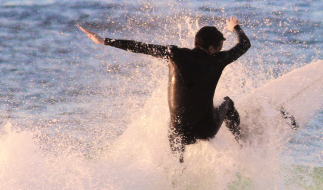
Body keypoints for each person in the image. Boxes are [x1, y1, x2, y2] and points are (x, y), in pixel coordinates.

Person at [78, 17, 251, 160]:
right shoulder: (218, 60)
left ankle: (176, 183)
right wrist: (235, 27)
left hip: (178, 134)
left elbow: (141, 47)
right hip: (206, 130)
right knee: (227, 102)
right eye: (220, 45)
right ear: (212, 48)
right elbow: (244, 44)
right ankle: (241, 142)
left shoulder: (174, 54)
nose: (222, 49)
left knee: (177, 153)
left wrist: (104, 41)